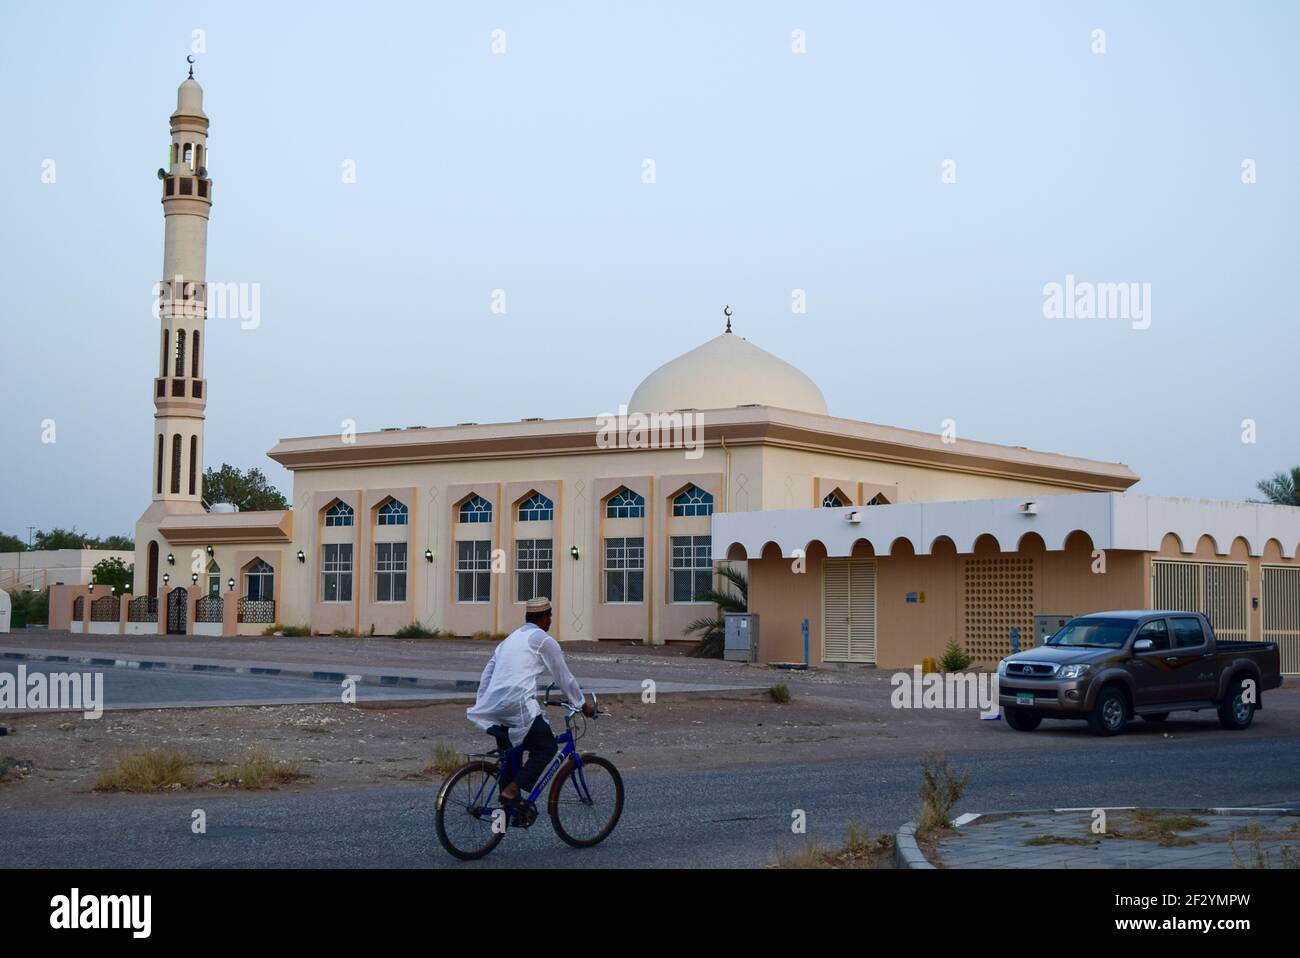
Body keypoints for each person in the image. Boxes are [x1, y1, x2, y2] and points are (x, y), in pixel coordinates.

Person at [466, 597, 594, 810]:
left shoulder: (509, 639)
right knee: (546, 747)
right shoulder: (543, 640)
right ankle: (512, 791)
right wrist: (583, 705)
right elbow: (564, 677)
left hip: (494, 705)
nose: (550, 621)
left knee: (510, 755)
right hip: (517, 706)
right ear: (545, 617)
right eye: (550, 617)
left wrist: (484, 702)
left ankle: (510, 808)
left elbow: (488, 671)